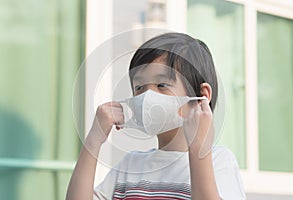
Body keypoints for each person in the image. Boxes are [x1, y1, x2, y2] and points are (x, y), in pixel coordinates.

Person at [66, 32, 246, 200]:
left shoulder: (219, 161)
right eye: (139, 87)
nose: (146, 97)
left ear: (201, 95)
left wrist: (198, 149)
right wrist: (94, 140)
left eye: (161, 85)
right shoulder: (130, 165)